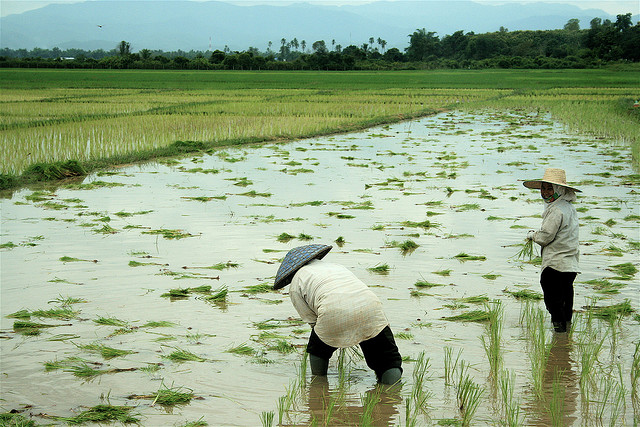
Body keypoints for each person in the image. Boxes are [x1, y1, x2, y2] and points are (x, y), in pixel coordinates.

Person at [273, 244, 402, 384]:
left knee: (317, 349)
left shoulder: (296, 284)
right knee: (388, 359)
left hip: (332, 309)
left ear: (291, 271)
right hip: (371, 306)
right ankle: (391, 395)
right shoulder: (335, 266)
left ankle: (319, 386)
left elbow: (313, 321)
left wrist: (337, 335)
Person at [523, 168, 580, 333]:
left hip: (555, 265)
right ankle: (565, 338)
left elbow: (546, 236)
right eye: (543, 188)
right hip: (570, 265)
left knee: (553, 302)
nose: (546, 192)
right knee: (565, 300)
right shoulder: (568, 207)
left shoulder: (556, 210)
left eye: (550, 189)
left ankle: (560, 335)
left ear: (560, 190)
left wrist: (532, 236)